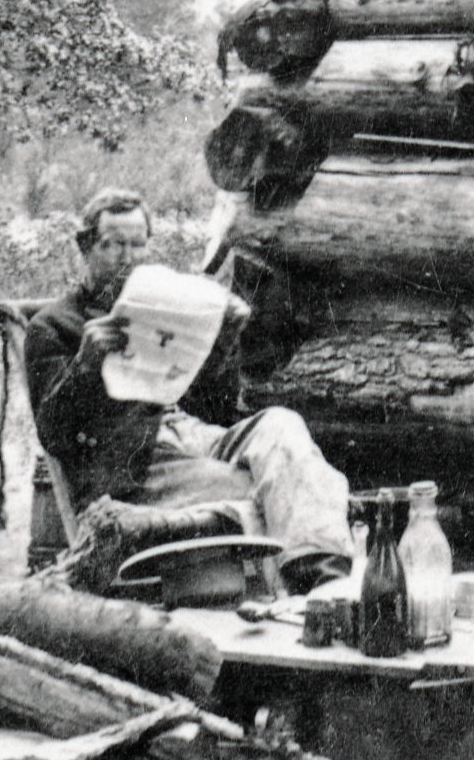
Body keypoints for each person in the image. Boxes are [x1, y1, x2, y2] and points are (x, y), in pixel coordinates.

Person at [24, 187, 357, 587]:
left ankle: (326, 577)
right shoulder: (53, 326)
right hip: (129, 463)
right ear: (85, 246)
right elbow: (54, 435)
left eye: (137, 245)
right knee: (270, 485)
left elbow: (212, 408)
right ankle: (316, 583)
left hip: (186, 432)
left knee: (282, 426)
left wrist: (223, 341)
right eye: (113, 245)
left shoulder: (158, 306)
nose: (128, 258)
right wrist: (85, 365)